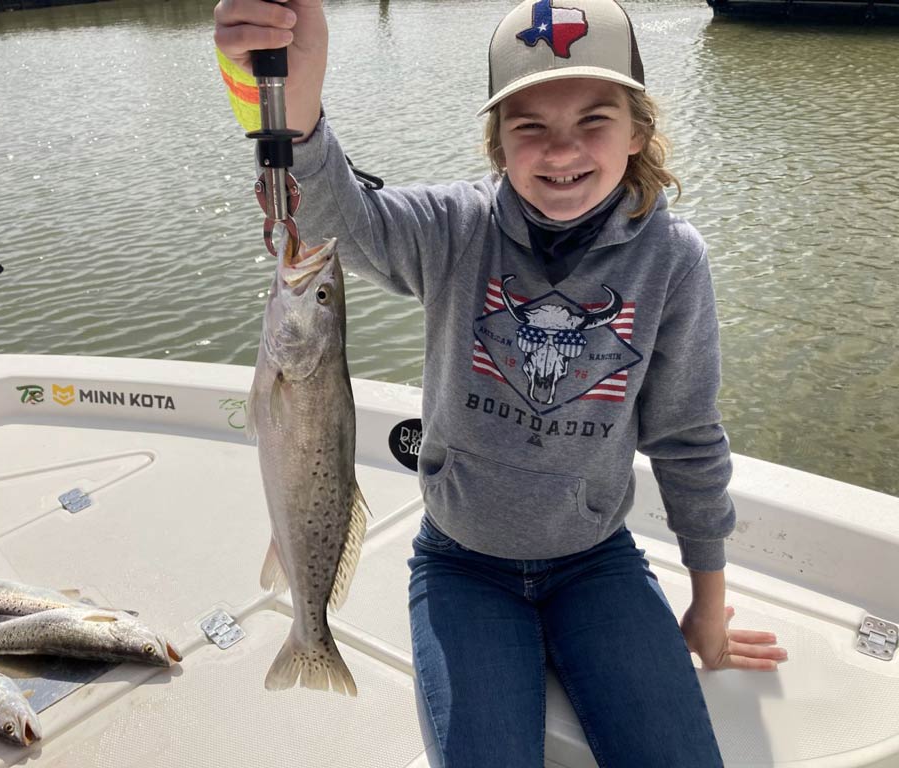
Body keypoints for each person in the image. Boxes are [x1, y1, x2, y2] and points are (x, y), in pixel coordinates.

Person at [214, 0, 788, 765]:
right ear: (496, 144)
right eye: (529, 127)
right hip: (461, 565)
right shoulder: (453, 228)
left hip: (597, 560)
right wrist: (301, 94)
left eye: (594, 120)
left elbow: (688, 440)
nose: (561, 152)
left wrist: (707, 609)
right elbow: (334, 221)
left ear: (638, 132)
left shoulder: (673, 261)